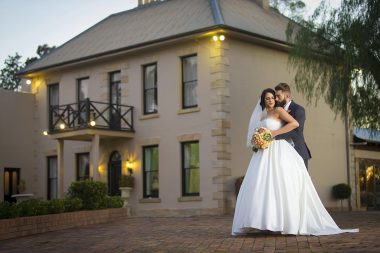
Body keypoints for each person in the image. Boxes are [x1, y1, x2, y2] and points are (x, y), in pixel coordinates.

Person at [231, 88, 358, 236]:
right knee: (262, 185)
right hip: (263, 153)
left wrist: (274, 133)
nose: (271, 100)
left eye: (272, 97)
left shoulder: (279, 110)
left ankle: (284, 223)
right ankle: (264, 222)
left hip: (279, 149)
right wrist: (258, 140)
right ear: (263, 100)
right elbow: (255, 133)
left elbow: (295, 124)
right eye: (267, 98)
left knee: (281, 184)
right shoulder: (262, 114)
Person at [274, 83, 311, 169]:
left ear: (286, 95)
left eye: (278, 96)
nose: (276, 99)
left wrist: (275, 136)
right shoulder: (277, 110)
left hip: (298, 151)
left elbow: (296, 130)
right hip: (282, 153)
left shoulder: (299, 109)